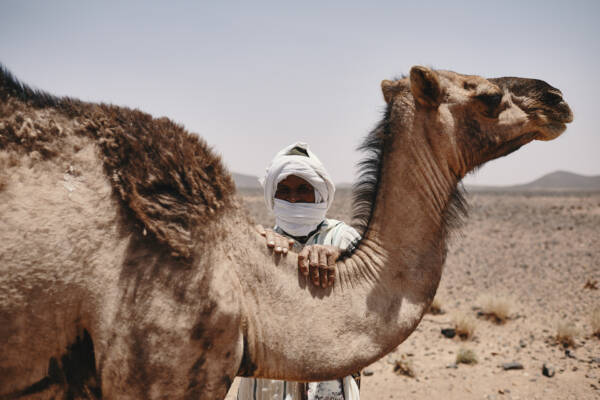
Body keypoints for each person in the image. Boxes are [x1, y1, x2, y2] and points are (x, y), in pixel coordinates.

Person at [237, 142, 361, 400]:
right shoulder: (261, 242)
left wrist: (340, 259)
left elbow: (369, 308)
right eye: (284, 191)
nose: (293, 199)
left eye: (303, 190)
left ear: (320, 193)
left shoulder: (344, 239)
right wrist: (255, 252)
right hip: (264, 388)